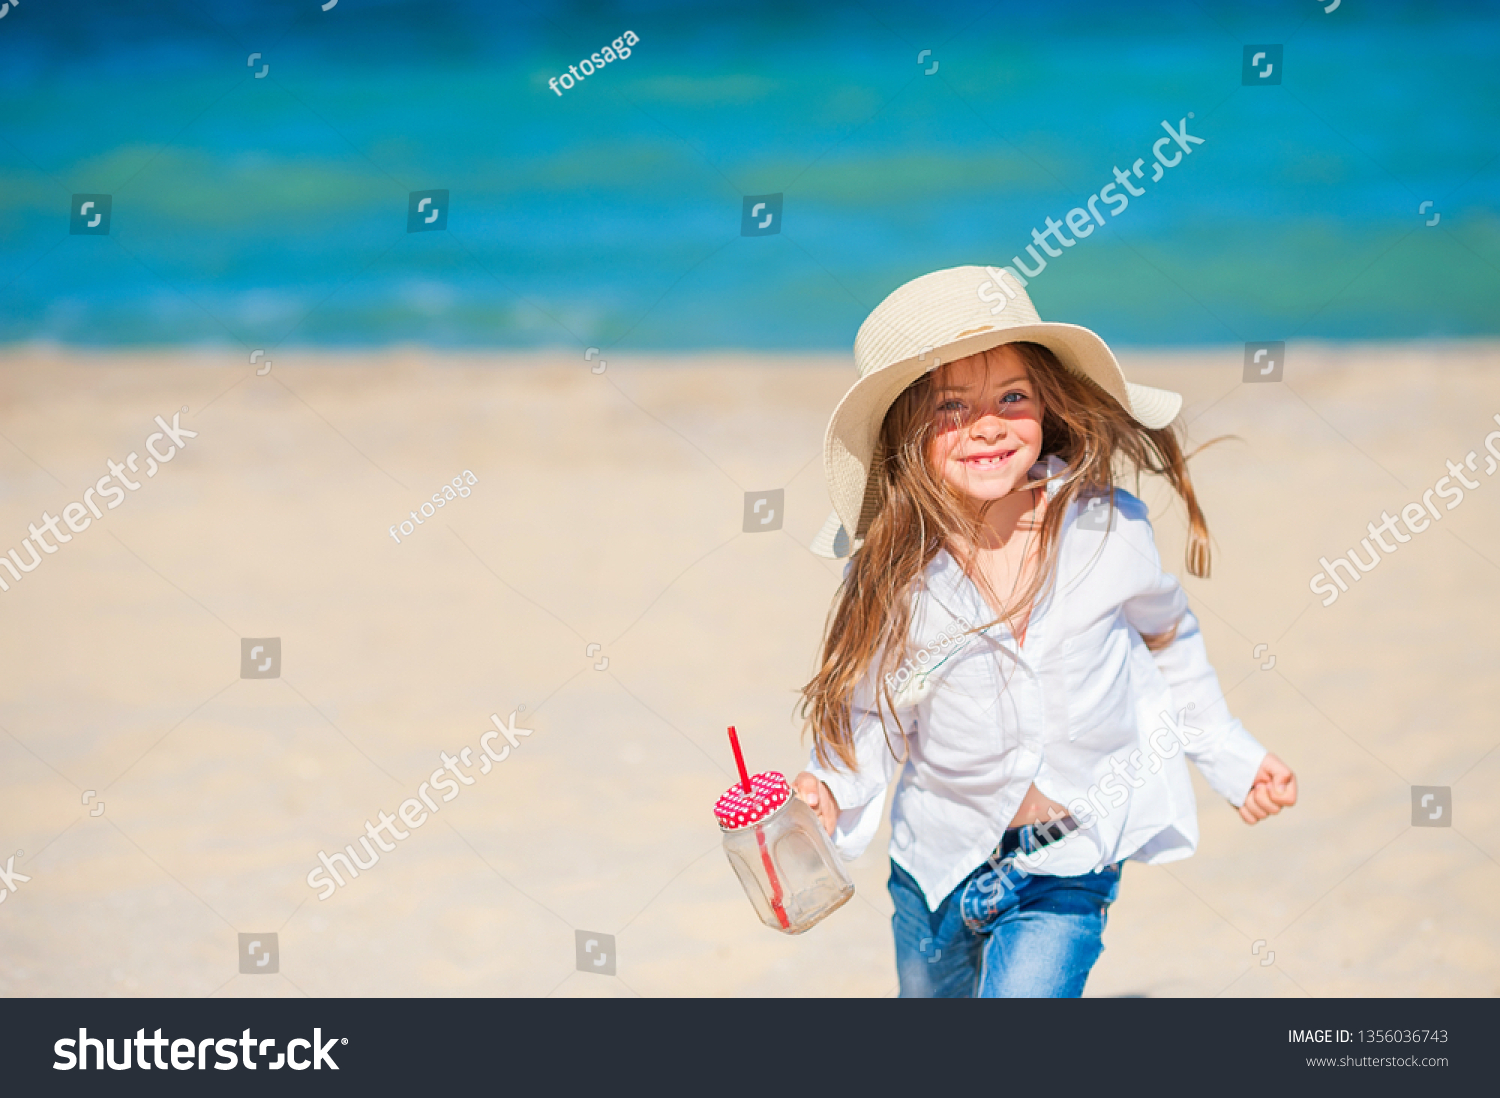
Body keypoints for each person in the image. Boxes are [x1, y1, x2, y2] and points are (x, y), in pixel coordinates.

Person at [792, 265, 1297, 998]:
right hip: (937, 861)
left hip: (1069, 864)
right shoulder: (894, 573)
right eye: (950, 407)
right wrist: (831, 789)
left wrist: (1230, 755)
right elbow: (868, 705)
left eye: (1012, 397)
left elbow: (1169, 638)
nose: (988, 423)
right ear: (905, 432)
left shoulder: (1109, 529)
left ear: (1047, 405)